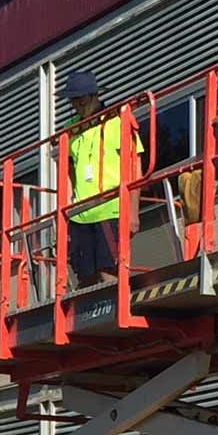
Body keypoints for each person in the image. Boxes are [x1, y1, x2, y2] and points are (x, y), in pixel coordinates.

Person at [64, 70, 144, 288]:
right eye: (73, 101)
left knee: (109, 269)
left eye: (80, 99)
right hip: (80, 213)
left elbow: (135, 166)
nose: (77, 105)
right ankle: (87, 319)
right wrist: (64, 213)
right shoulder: (70, 130)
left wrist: (133, 212)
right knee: (83, 274)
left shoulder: (118, 121)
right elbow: (69, 172)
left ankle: (114, 314)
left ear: (93, 96)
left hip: (111, 207)